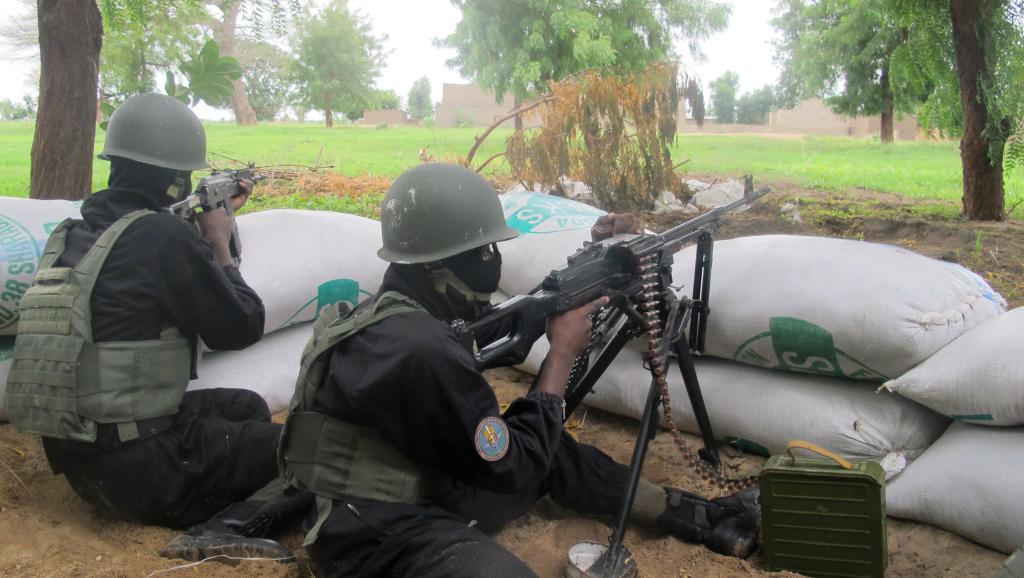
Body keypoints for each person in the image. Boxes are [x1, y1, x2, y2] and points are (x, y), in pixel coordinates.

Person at [278, 162, 760, 577]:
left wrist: (593, 257)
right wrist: (561, 354)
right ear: (442, 263)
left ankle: (707, 518)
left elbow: (492, 331)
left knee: (554, 449)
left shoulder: (402, 309)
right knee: (529, 472)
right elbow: (515, 467)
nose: (494, 261)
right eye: (485, 251)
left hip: (417, 478)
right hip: (370, 530)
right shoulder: (423, 350)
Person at [4, 93, 306, 560]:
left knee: (244, 407)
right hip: (146, 472)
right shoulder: (161, 236)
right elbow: (241, 326)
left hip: (85, 464)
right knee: (314, 450)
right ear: (177, 179)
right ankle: (220, 529)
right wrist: (220, 241)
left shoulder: (75, 233)